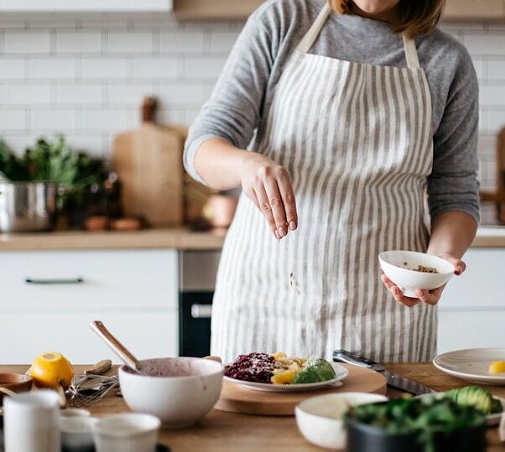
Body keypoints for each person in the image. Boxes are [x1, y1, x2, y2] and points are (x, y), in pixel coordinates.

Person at [184, 0, 479, 363]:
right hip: (269, 299)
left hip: (386, 311)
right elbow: (203, 147)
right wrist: (245, 165)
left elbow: (456, 193)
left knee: (377, 420)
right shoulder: (284, 21)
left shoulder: (446, 59)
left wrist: (435, 264)